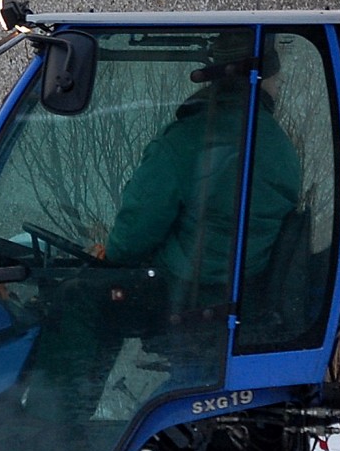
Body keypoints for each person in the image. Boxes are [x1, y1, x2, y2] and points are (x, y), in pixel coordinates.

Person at [99, 34, 302, 316]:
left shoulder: (190, 140)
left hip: (185, 296)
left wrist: (106, 258)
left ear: (216, 75)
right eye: (277, 80)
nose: (278, 88)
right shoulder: (282, 149)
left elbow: (133, 235)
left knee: (78, 297)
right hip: (242, 298)